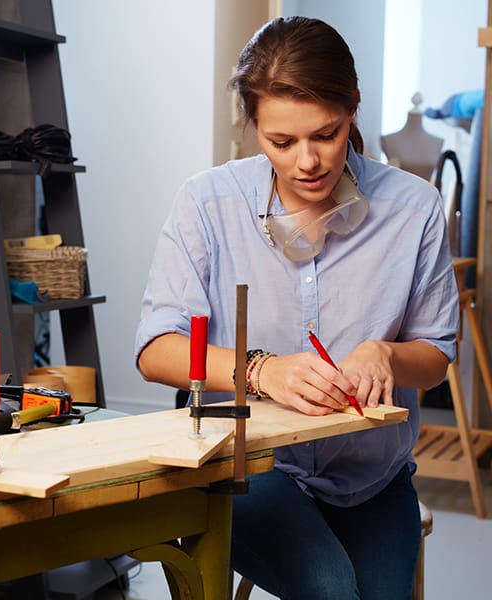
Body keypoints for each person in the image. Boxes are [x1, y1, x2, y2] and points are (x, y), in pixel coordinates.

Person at [134, 16, 459, 600]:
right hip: (251, 467)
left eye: (326, 134)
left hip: (373, 477)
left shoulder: (414, 208)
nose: (307, 161)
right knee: (331, 588)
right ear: (253, 125)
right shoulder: (208, 204)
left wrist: (386, 354)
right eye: (281, 142)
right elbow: (157, 352)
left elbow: (434, 357)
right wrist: (262, 370)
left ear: (353, 109)